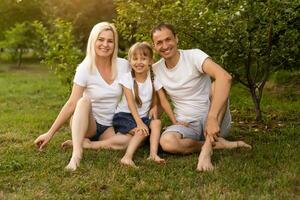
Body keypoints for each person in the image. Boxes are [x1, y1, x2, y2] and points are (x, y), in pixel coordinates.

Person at [150, 23, 251, 172]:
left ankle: (207, 150)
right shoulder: (156, 69)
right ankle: (217, 144)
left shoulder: (194, 55)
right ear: (154, 46)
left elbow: (225, 77)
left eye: (168, 39)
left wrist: (211, 117)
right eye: (159, 42)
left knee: (218, 84)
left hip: (214, 119)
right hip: (187, 124)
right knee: (167, 142)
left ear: (176, 39)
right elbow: (160, 102)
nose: (165, 45)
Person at [34, 22, 131, 171]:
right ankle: (76, 154)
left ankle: (85, 144)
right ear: (93, 40)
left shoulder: (123, 65)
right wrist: (50, 133)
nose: (105, 44)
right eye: (101, 39)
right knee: (83, 101)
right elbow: (72, 103)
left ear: (115, 44)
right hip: (87, 124)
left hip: (108, 127)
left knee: (127, 142)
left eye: (110, 41)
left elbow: (143, 69)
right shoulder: (85, 68)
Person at [82, 42, 166, 167]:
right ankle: (127, 157)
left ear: (150, 61)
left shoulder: (152, 77)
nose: (139, 62)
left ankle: (87, 144)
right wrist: (139, 122)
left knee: (128, 139)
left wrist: (155, 108)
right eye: (135, 58)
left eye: (143, 58)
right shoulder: (128, 78)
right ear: (130, 61)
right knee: (141, 132)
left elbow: (155, 96)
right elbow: (131, 103)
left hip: (140, 118)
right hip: (124, 116)